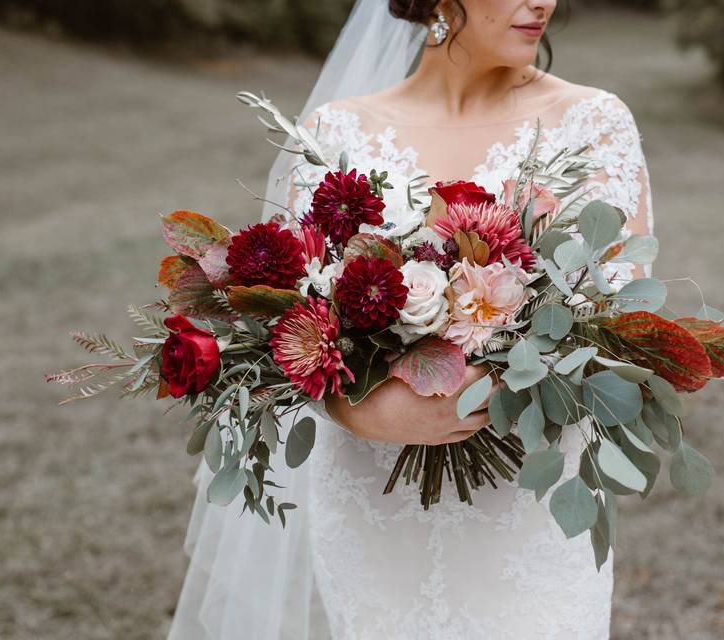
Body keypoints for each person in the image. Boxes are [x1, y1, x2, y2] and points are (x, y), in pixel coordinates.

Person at [168, 0, 653, 638]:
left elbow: (619, 319)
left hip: (529, 505)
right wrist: (356, 409)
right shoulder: (337, 133)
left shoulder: (593, 123)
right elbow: (288, 328)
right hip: (374, 498)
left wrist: (496, 386)